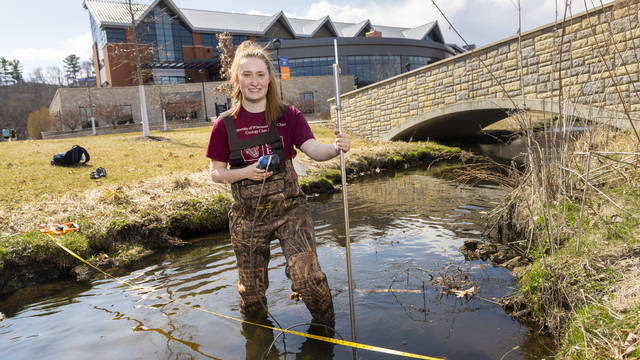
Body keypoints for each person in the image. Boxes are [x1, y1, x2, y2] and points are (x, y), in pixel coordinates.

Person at [206, 41, 350, 326]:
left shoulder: (289, 116)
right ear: (237, 78)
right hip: (248, 216)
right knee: (251, 294)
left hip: (290, 211)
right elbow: (215, 173)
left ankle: (326, 334)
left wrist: (335, 148)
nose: (254, 81)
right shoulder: (224, 125)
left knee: (308, 279)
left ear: (269, 79)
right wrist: (245, 172)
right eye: (247, 74)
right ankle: (257, 340)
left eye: (260, 74)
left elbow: (314, 150)